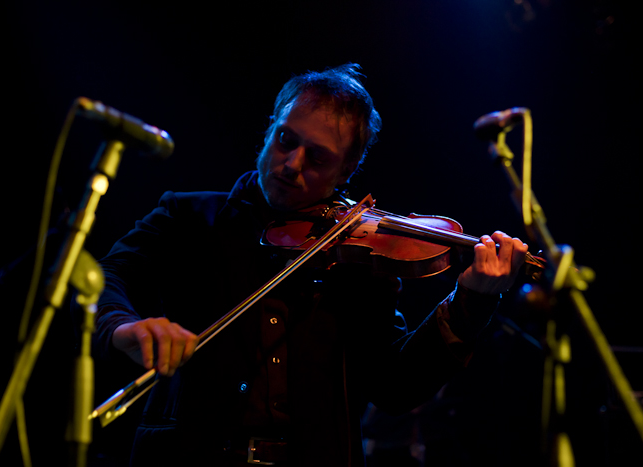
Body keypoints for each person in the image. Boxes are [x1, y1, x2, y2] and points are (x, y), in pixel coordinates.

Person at [91, 63, 528, 467]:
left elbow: (396, 387)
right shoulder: (188, 218)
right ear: (270, 128)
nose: (292, 164)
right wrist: (122, 327)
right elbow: (103, 276)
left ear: (347, 170)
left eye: (317, 158)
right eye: (286, 140)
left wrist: (472, 300)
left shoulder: (359, 258)